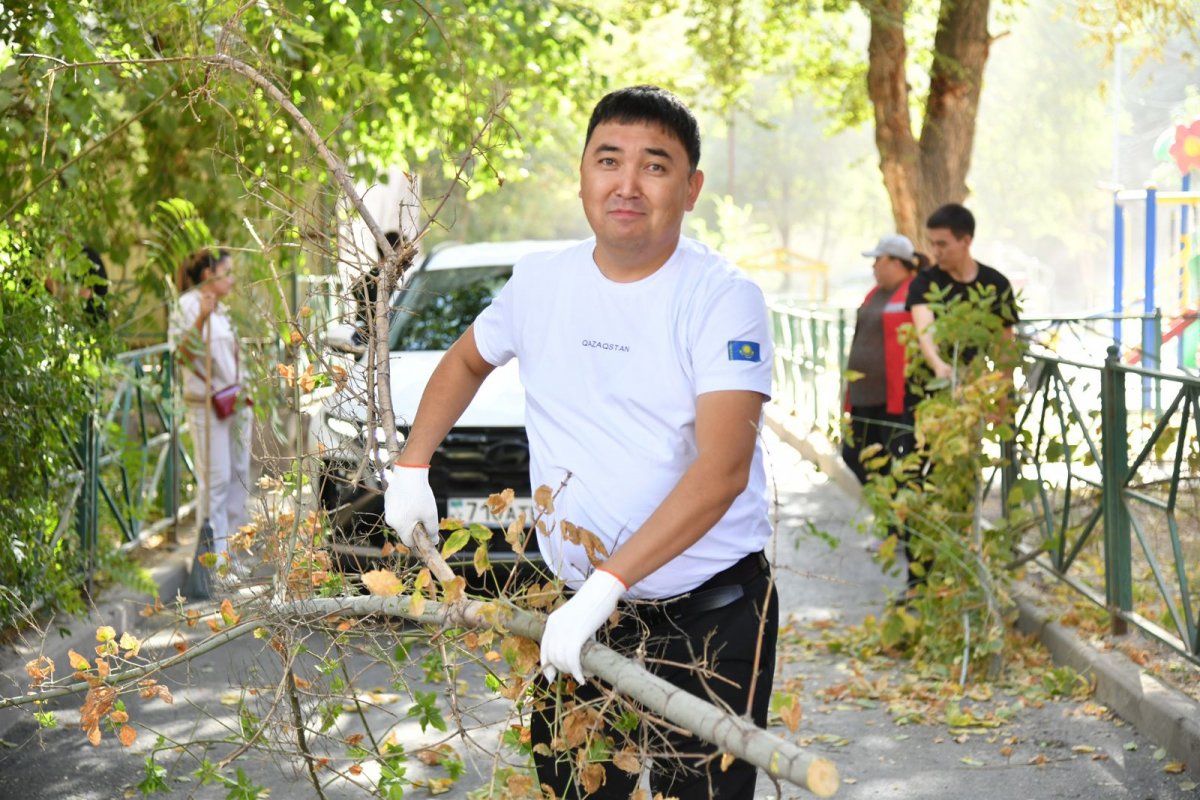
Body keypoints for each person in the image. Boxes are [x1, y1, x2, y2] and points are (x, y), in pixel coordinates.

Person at [384, 85, 776, 799]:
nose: (627, 184)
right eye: (608, 160)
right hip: (582, 617)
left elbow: (722, 471)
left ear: (690, 189)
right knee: (574, 789)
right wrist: (412, 466)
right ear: (582, 177)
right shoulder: (542, 283)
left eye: (655, 166)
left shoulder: (724, 298)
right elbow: (468, 359)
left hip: (711, 616)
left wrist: (606, 586)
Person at [171, 248, 252, 570]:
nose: (232, 278)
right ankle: (212, 558)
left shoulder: (223, 311)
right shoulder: (187, 306)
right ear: (209, 274)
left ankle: (229, 553)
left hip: (234, 401)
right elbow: (182, 354)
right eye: (227, 271)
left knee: (238, 475)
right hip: (206, 405)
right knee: (215, 479)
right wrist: (202, 317)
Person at [842, 233, 922, 486]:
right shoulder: (874, 294)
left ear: (896, 262)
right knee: (853, 454)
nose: (874, 266)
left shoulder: (915, 292)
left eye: (878, 260)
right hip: (864, 396)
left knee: (893, 460)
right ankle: (885, 505)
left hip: (893, 400)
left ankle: (895, 516)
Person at [906, 203, 1020, 379]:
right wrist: (938, 365)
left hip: (976, 386)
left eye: (942, 244)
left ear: (966, 241)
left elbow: (1005, 346)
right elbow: (926, 332)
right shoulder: (924, 282)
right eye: (932, 244)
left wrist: (1004, 394)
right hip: (930, 386)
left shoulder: (996, 284)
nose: (935, 252)